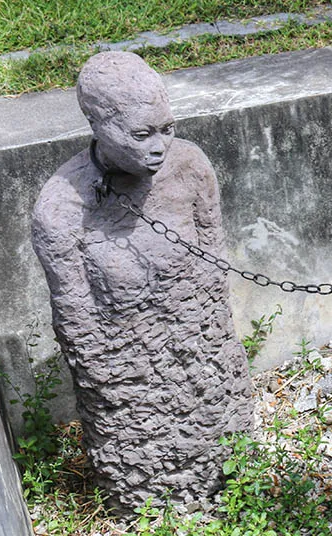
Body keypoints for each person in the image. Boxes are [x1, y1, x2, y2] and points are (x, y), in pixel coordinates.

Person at [30, 51, 253, 513]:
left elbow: (213, 255)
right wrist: (122, 389)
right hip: (133, 385)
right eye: (140, 134)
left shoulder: (190, 167)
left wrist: (208, 344)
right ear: (97, 123)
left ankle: (233, 484)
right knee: (152, 481)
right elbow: (78, 324)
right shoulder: (61, 207)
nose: (159, 147)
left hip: (202, 357)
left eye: (166, 128)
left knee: (222, 438)